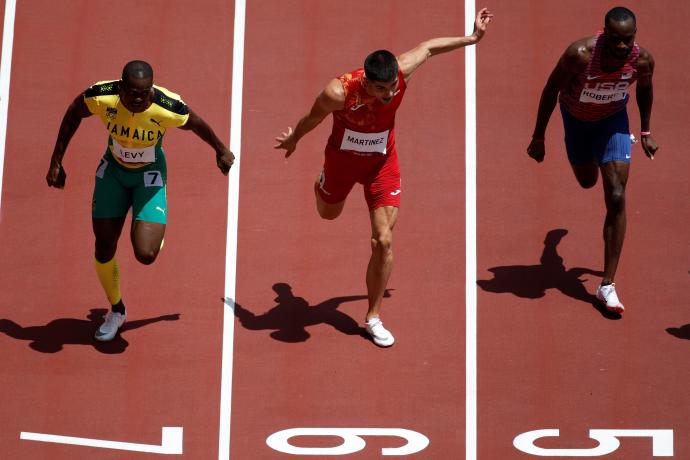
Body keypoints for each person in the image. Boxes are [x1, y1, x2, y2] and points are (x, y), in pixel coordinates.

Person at [274, 9, 493, 346]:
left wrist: (472, 38)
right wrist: (294, 139)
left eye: (392, 86)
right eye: (381, 89)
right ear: (367, 81)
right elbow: (313, 117)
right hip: (342, 162)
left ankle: (372, 317)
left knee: (384, 240)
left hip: (382, 164)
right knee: (328, 214)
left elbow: (429, 47)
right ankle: (322, 184)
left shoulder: (400, 73)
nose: (389, 93)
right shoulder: (339, 91)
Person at [46, 60, 235, 341]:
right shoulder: (102, 96)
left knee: (145, 254)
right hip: (113, 173)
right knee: (104, 246)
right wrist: (56, 161)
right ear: (121, 88)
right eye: (133, 92)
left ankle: (149, 228)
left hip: (149, 175)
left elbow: (195, 123)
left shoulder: (166, 106)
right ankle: (117, 310)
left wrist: (220, 149)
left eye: (145, 93)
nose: (139, 99)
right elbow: (75, 111)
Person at [527, 6, 657, 315]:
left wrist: (646, 130)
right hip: (577, 122)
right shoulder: (580, 54)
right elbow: (549, 90)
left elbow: (646, 90)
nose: (622, 46)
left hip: (613, 122)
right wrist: (538, 137)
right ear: (604, 33)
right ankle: (551, 249)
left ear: (634, 36)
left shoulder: (642, 60)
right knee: (587, 181)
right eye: (615, 39)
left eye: (627, 40)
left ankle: (607, 285)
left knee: (616, 194)